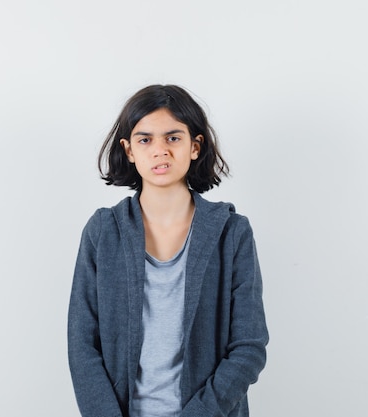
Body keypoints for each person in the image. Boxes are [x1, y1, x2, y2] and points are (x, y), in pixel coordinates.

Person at [68, 84, 268, 417]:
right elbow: (82, 344)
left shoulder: (232, 233)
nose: (159, 150)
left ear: (195, 146)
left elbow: (249, 347)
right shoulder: (103, 232)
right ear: (129, 150)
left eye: (173, 138)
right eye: (145, 139)